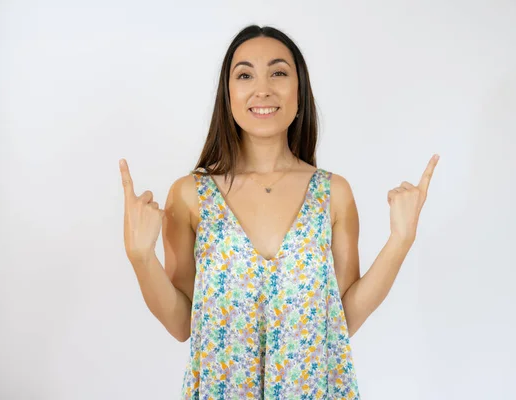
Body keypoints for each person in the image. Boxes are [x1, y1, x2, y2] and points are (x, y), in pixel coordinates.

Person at [119, 24, 439, 399]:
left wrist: (400, 241)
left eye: (279, 72)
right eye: (244, 75)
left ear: (299, 92)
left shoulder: (333, 193)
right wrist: (141, 257)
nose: (263, 88)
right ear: (228, 95)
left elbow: (340, 319)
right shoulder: (190, 195)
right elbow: (181, 324)